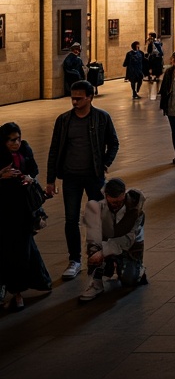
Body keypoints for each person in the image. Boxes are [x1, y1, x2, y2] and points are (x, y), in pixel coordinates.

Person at [45, 80, 119, 281]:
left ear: (90, 97)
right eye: (72, 97)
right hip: (70, 177)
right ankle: (74, 260)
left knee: (98, 219)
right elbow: (54, 151)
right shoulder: (63, 120)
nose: (74, 101)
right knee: (71, 219)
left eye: (79, 98)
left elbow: (113, 143)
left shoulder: (101, 118)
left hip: (93, 176)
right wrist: (50, 180)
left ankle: (102, 256)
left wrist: (105, 164)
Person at [0, 122, 52, 311]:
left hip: (23, 208)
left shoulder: (25, 149)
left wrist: (29, 177)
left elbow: (33, 169)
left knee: (23, 247)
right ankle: (15, 290)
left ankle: (23, 288)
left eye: (19, 139)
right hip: (5, 209)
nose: (17, 143)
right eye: (12, 140)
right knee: (11, 249)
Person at [78, 176, 146, 301]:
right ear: (106, 196)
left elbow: (128, 239)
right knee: (93, 245)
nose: (117, 205)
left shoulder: (137, 211)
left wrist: (103, 252)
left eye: (120, 201)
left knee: (128, 280)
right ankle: (96, 283)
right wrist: (96, 253)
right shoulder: (99, 208)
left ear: (124, 194)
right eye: (113, 202)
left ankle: (137, 268)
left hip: (130, 248)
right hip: (107, 243)